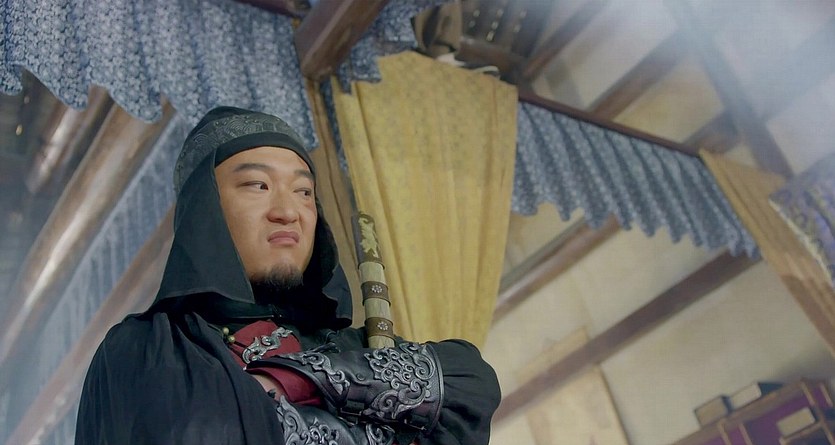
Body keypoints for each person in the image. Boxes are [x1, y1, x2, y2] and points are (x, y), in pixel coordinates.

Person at [75, 106, 501, 445]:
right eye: (257, 185)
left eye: (304, 192)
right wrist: (370, 394)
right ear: (204, 210)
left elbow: (471, 384)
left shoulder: (351, 344)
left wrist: (285, 380)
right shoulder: (150, 348)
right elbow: (203, 428)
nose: (288, 211)